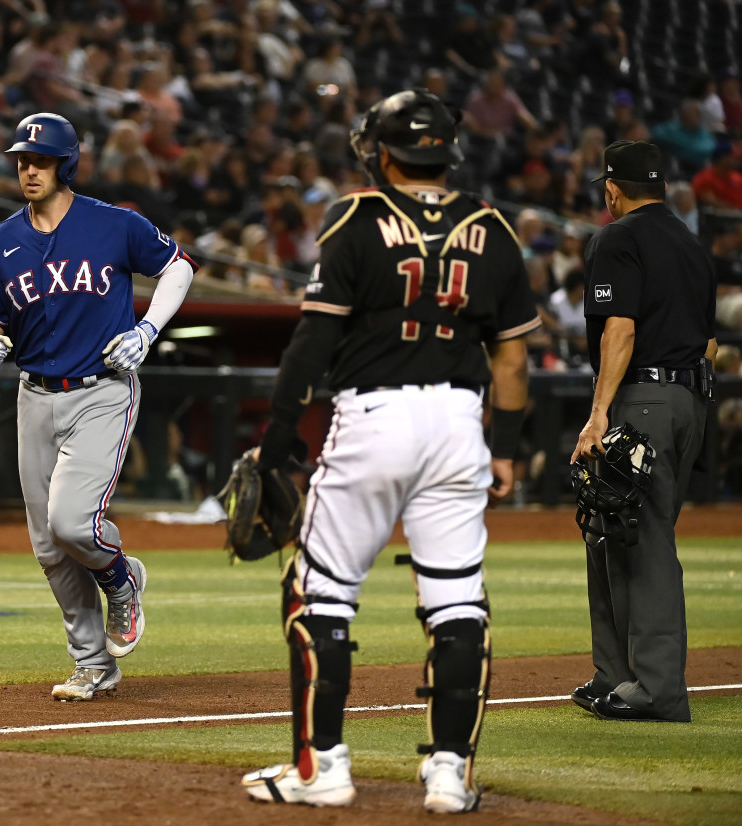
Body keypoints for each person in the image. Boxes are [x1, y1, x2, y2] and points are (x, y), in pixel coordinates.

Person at [240, 90, 538, 813]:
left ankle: (323, 769)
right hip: (460, 424)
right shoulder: (492, 227)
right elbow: (515, 362)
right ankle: (448, 776)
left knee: (319, 592)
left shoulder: (359, 216)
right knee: (457, 599)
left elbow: (312, 341)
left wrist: (277, 442)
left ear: (381, 152)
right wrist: (511, 451)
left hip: (374, 415)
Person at [0, 112, 195, 701]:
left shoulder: (112, 223)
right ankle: (93, 663)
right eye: (21, 160)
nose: (28, 169)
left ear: (65, 165)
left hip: (101, 389)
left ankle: (120, 576)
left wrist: (147, 329)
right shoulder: (1, 241)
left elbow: (178, 266)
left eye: (40, 161)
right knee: (47, 544)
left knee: (72, 523)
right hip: (34, 394)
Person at [569, 140, 717, 724]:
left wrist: (600, 412)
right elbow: (708, 342)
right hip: (688, 399)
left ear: (612, 188)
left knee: (644, 535)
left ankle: (655, 689)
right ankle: (615, 676)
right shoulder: (691, 243)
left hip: (642, 399)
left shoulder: (616, 237)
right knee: (611, 529)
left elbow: (620, 330)